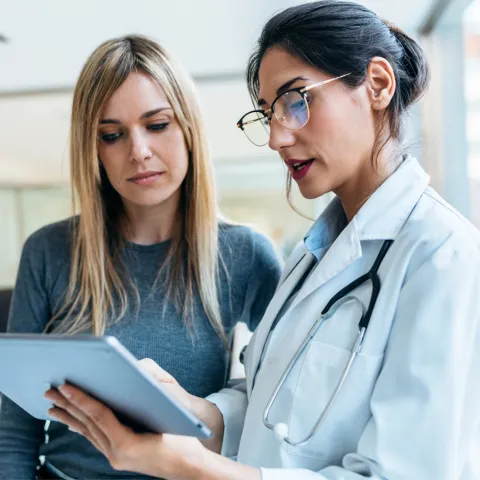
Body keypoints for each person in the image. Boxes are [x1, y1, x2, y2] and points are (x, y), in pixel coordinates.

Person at [44, 2, 480, 479]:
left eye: (297, 100)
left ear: (377, 84)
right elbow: (268, 406)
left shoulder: (441, 256)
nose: (276, 137)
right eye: (269, 112)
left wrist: (185, 464)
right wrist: (190, 410)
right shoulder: (314, 255)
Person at [0, 34, 282, 480]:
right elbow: (14, 433)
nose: (139, 151)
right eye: (112, 135)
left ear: (188, 128)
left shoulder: (245, 255)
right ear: (94, 151)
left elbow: (279, 405)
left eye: (157, 125)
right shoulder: (49, 251)